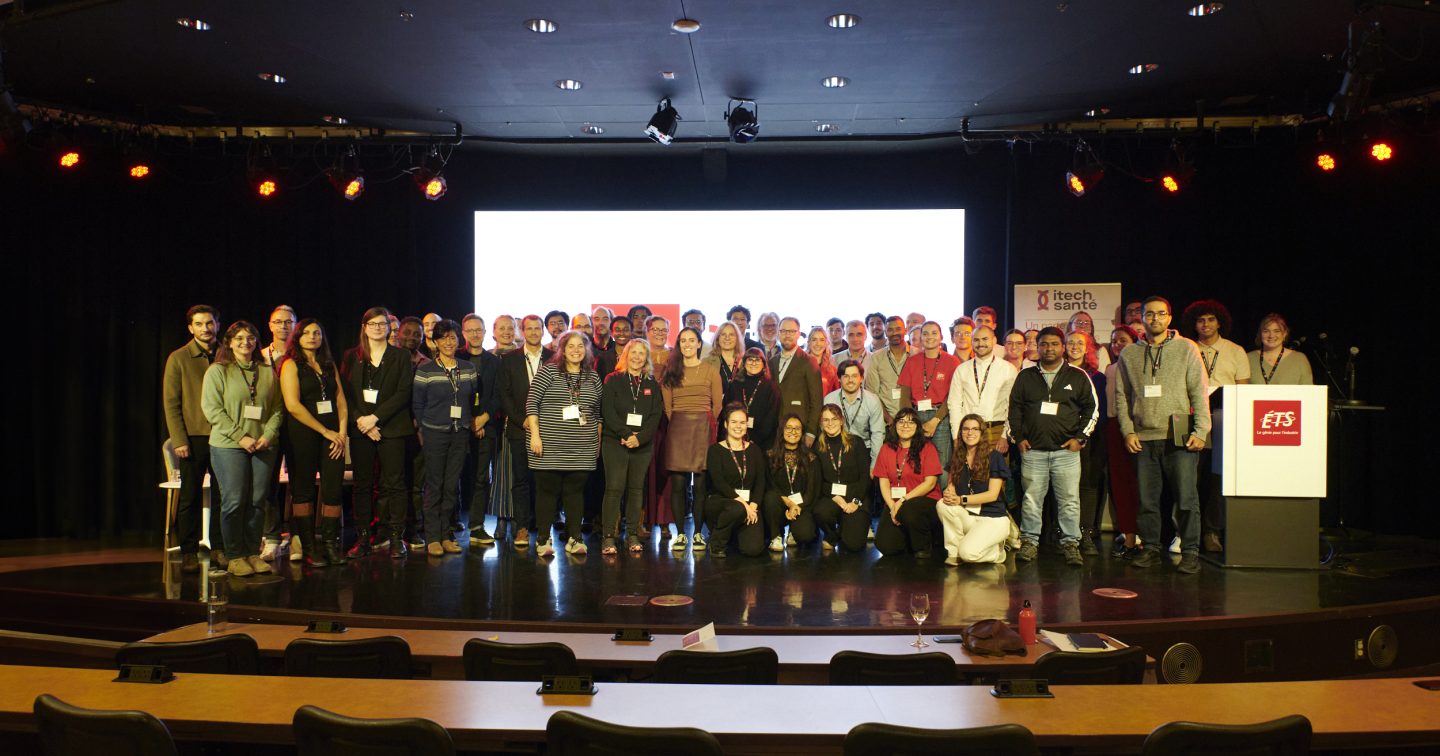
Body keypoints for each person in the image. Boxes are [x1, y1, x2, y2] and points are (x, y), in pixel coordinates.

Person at [1115, 297, 1211, 575]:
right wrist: (1127, 430)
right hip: (1144, 437)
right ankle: (1151, 549)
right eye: (1149, 314)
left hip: (1180, 435)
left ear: (1169, 318)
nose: (1154, 319)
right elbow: (1121, 396)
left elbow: (1199, 391)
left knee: (1186, 499)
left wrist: (1201, 430)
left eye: (1160, 314)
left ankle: (1191, 552)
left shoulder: (1186, 348)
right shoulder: (1129, 354)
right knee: (1147, 500)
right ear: (1142, 318)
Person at [1008, 327, 1097, 567]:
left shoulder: (1078, 375)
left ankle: (1070, 544)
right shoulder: (1025, 376)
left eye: (1054, 344)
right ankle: (1029, 542)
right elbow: (1014, 408)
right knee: (1031, 500)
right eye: (1044, 344)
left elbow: (1092, 409)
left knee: (1069, 501)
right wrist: (1018, 437)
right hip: (1033, 451)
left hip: (1066, 453)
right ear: (1037, 347)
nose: (1049, 348)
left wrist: (1080, 438)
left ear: (1063, 347)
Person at [202, 321, 283, 577]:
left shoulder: (267, 371)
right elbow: (213, 410)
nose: (245, 342)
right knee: (234, 501)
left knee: (257, 501)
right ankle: (235, 555)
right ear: (229, 342)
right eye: (239, 338)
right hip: (229, 446)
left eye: (250, 338)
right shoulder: (217, 371)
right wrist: (241, 437)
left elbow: (278, 409)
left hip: (263, 446)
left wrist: (268, 435)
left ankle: (251, 552)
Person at [340, 307, 416, 558]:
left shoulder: (401, 356)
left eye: (382, 323)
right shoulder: (352, 356)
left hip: (392, 428)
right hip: (361, 429)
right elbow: (345, 393)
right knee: (362, 484)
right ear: (364, 327)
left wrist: (375, 418)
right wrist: (362, 420)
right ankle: (362, 539)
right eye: (372, 324)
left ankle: (396, 538)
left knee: (395, 484)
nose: (378, 328)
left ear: (389, 327)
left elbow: (403, 393)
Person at [526, 329, 603, 558]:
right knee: (547, 493)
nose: (576, 351)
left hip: (582, 448)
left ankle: (574, 538)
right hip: (548, 445)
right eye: (571, 346)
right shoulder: (549, 371)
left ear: (587, 350)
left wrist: (597, 443)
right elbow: (532, 404)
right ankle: (543, 539)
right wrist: (535, 436)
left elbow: (598, 414)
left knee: (575, 493)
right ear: (562, 349)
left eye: (581, 346)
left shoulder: (593, 377)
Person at [279, 318, 349, 567]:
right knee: (303, 490)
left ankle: (330, 545)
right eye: (307, 333)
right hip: (302, 435)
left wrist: (341, 433)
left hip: (333, 436)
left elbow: (341, 401)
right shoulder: (290, 365)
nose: (312, 337)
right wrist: (325, 431)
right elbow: (292, 406)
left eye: (317, 333)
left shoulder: (328, 364)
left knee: (333, 490)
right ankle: (309, 547)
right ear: (297, 337)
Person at [1182, 299, 1250, 553]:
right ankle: (1185, 531)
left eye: (1211, 319)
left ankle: (1212, 530)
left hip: (1223, 419)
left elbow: (1243, 391)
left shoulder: (1235, 351)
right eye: (1201, 320)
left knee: (1216, 477)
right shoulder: (1186, 348)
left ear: (1220, 322)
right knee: (1190, 476)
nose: (1206, 324)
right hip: (1191, 418)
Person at [163, 305, 225, 573]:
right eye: (199, 324)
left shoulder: (227, 353)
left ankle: (220, 548)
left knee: (224, 496)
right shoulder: (179, 357)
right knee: (189, 496)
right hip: (194, 436)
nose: (205, 328)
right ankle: (188, 551)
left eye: (209, 323)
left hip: (224, 436)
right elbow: (171, 403)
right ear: (190, 328)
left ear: (217, 324)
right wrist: (179, 439)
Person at [660, 327, 724, 551]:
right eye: (683, 341)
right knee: (678, 485)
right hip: (678, 427)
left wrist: (704, 423)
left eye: (691, 340)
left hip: (703, 428)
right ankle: (680, 534)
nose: (687, 344)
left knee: (700, 486)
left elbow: (717, 406)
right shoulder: (671, 371)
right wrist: (681, 422)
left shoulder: (710, 370)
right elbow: (668, 408)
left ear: (699, 344)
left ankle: (697, 533)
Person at [600, 339, 664, 554]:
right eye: (633, 352)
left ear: (646, 358)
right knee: (614, 488)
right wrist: (626, 434)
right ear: (625, 355)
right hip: (615, 441)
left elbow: (656, 415)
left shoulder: (651, 383)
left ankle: (632, 534)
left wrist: (640, 438)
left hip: (642, 444)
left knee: (636, 490)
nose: (637, 357)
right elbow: (608, 411)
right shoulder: (613, 379)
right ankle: (609, 536)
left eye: (641, 353)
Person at [498, 315, 553, 547]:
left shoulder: (554, 358)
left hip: (548, 429)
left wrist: (541, 423)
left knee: (544, 481)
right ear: (522, 332)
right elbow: (504, 395)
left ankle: (543, 529)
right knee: (521, 479)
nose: (533, 332)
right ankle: (522, 527)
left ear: (543, 331)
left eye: (537, 328)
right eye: (528, 329)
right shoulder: (509, 359)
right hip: (519, 428)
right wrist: (523, 421)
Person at [937, 414, 1011, 565]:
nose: (970, 433)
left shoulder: (994, 457)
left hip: (993, 519)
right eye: (966, 429)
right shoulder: (958, 456)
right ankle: (954, 552)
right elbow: (951, 487)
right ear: (961, 432)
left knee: (969, 554)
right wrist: (949, 493)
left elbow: (992, 495)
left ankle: (997, 551)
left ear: (982, 432)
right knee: (942, 504)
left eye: (975, 429)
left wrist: (961, 499)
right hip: (970, 516)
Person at [873, 407, 943, 558]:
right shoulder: (886, 448)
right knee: (885, 546)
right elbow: (883, 482)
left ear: (917, 426)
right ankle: (908, 539)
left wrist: (903, 500)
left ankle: (924, 546)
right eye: (901, 421)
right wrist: (892, 505)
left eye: (911, 422)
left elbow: (930, 483)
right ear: (895, 425)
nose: (905, 425)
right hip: (896, 503)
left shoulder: (927, 448)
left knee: (909, 509)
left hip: (924, 501)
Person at [897, 321, 959, 488]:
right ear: (920, 338)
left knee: (942, 462)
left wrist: (935, 421)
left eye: (934, 333)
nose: (929, 337)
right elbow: (905, 395)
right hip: (915, 415)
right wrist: (911, 420)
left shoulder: (952, 362)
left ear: (941, 337)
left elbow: (952, 397)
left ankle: (943, 500)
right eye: (925, 333)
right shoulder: (912, 361)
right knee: (915, 459)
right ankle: (921, 498)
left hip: (940, 417)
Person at [703, 402, 769, 558]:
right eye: (734, 422)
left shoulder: (755, 450)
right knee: (737, 509)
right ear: (726, 424)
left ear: (747, 425)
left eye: (742, 422)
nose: (738, 426)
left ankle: (733, 536)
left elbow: (761, 482)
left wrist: (753, 506)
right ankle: (716, 543)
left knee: (753, 550)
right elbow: (719, 483)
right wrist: (744, 505)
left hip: (748, 505)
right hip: (722, 503)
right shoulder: (715, 450)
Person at [257, 305, 296, 562]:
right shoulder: (259, 356)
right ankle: (271, 537)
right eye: (278, 321)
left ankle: (298, 536)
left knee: (300, 484)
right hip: (269, 427)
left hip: (297, 425)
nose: (283, 326)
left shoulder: (302, 354)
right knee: (267, 484)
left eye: (289, 322)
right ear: (270, 325)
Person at [1065, 329, 1108, 555]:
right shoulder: (1058, 373)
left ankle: (1086, 533)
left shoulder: (1098, 377)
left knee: (1088, 485)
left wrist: (1083, 434)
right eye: (1070, 342)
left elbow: (1100, 411)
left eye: (1079, 343)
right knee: (1063, 487)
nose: (1075, 347)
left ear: (1087, 348)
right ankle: (1064, 534)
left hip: (1091, 439)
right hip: (1063, 438)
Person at [460, 314, 502, 546]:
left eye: (479, 330)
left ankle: (476, 526)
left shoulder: (494, 362)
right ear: (463, 333)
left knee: (480, 478)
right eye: (470, 330)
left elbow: (498, 395)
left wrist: (483, 419)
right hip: (458, 427)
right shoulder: (456, 357)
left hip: (486, 427)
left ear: (486, 332)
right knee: (452, 477)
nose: (475, 334)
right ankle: (447, 527)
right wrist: (471, 421)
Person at [1104, 325, 1142, 558]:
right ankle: (1128, 533)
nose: (1117, 344)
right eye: (1114, 341)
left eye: (1122, 340)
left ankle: (1143, 534)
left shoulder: (1140, 365)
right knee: (1120, 483)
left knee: (1140, 483)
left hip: (1138, 428)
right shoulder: (1110, 369)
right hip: (1114, 428)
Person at [813, 404, 872, 552]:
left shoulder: (856, 442)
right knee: (821, 512)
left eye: (834, 419)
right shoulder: (818, 446)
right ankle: (832, 535)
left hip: (856, 495)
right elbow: (817, 481)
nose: (830, 423)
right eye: (826, 420)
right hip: (832, 496)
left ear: (841, 421)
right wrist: (835, 497)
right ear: (821, 423)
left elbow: (865, 477)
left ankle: (844, 529)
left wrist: (856, 501)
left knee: (853, 545)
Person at [763, 414, 820, 551]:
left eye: (797, 428)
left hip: (802, 507)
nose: (793, 432)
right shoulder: (770, 455)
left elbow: (812, 489)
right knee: (770, 497)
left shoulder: (811, 457)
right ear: (781, 430)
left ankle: (794, 532)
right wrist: (789, 503)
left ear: (802, 432)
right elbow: (770, 485)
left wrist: (797, 507)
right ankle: (776, 536)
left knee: (806, 535)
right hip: (779, 505)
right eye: (788, 428)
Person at [824, 360, 886, 467]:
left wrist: (874, 463)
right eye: (846, 376)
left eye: (854, 376)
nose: (850, 380)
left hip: (865, 449)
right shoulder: (830, 400)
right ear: (839, 379)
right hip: (837, 447)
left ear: (861, 378)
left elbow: (878, 434)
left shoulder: (872, 401)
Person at [772, 317, 824, 444]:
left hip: (800, 430)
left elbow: (816, 401)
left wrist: (811, 432)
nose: (787, 335)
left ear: (799, 334)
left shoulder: (809, 361)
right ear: (778, 333)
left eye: (791, 331)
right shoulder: (772, 361)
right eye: (783, 331)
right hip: (775, 431)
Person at [726, 347, 781, 449]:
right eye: (750, 359)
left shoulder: (771, 387)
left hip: (761, 443)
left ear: (764, 364)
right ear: (744, 363)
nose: (753, 363)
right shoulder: (735, 385)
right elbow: (727, 411)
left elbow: (771, 418)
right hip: (735, 438)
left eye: (757, 360)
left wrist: (754, 439)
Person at [863, 316, 909, 423]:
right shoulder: (876, 357)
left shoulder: (917, 354)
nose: (894, 333)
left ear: (905, 330)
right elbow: (872, 393)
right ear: (885, 332)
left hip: (913, 419)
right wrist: (888, 419)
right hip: (886, 421)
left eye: (898, 329)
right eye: (890, 330)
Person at [1248, 313, 1314, 386]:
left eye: (1276, 331)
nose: (1271, 335)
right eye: (1266, 331)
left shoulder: (1300, 359)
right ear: (1260, 334)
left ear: (1285, 333)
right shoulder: (1248, 358)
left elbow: (1308, 391)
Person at [704, 321, 746, 386]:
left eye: (731, 334)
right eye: (723, 334)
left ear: (737, 338)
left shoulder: (746, 360)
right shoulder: (707, 362)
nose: (727, 338)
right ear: (717, 338)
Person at [806, 326, 840, 397]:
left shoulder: (832, 371)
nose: (818, 344)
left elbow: (836, 396)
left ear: (826, 343)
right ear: (809, 342)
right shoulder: (799, 366)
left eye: (822, 340)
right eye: (814, 340)